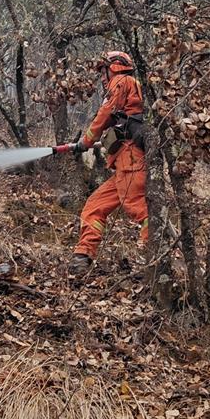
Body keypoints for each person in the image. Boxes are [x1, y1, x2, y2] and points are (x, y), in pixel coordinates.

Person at [66, 51, 148, 275]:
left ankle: (157, 262)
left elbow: (105, 113)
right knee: (95, 206)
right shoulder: (131, 86)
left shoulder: (122, 81)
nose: (102, 77)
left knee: (138, 208)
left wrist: (85, 141)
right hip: (124, 165)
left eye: (104, 71)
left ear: (115, 67)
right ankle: (82, 257)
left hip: (131, 161)